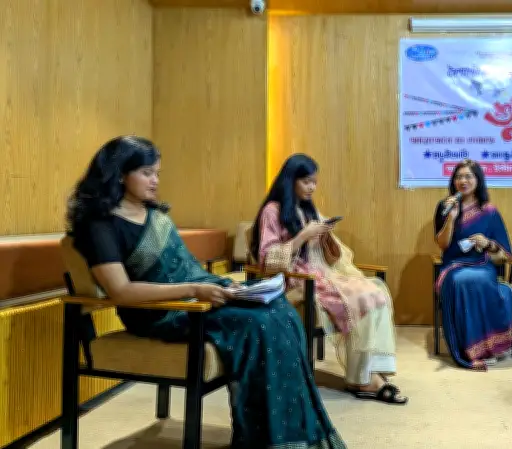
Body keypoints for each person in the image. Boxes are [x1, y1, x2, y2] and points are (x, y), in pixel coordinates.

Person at [67, 136, 346, 448]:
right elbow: (121, 291)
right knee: (259, 323)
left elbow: (187, 268)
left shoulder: (154, 215)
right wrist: (195, 290)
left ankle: (299, 434)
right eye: (147, 173)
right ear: (120, 174)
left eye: (157, 173)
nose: (155, 181)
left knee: (280, 310)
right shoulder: (100, 225)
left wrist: (223, 287)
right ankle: (266, 439)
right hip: (162, 312)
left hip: (196, 296)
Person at [251, 154, 408, 405]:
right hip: (298, 279)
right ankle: (364, 379)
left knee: (376, 293)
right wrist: (303, 236)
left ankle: (369, 373)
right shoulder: (273, 211)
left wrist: (325, 236)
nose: (312, 188)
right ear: (291, 180)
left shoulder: (309, 208)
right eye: (306, 182)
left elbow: (332, 257)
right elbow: (268, 260)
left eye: (315, 182)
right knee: (364, 297)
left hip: (322, 274)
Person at [433, 159, 512, 370]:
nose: (463, 181)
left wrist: (488, 243)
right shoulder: (444, 206)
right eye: (458, 177)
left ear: (478, 180)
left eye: (468, 176)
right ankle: (469, 350)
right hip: (453, 265)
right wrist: (451, 218)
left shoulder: (489, 211)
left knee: (478, 279)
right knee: (460, 280)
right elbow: (442, 244)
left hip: (481, 264)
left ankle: (491, 347)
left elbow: (502, 254)